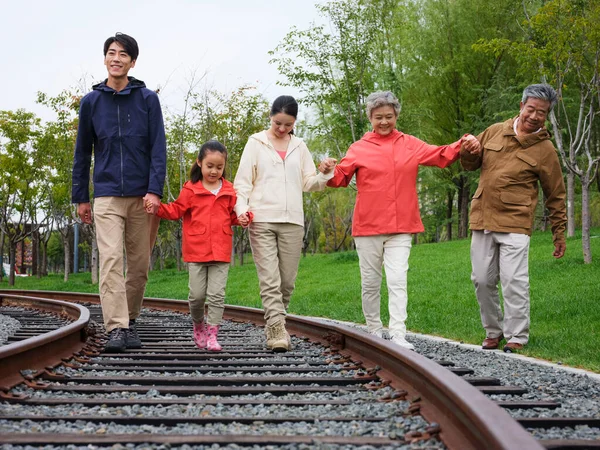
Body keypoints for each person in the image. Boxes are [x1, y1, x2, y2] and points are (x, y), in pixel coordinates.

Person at [326, 91, 480, 350]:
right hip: (368, 227)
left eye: (389, 116)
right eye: (378, 117)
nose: (384, 122)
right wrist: (328, 168)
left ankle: (398, 333)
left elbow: (440, 154)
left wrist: (464, 141)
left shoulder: (410, 143)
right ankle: (374, 330)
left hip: (401, 226)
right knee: (371, 283)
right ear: (370, 118)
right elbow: (338, 178)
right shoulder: (358, 148)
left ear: (396, 115)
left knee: (398, 279)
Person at [72, 32, 166, 353]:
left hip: (143, 196)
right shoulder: (91, 103)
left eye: (123, 54)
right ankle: (116, 327)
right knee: (111, 260)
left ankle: (131, 319)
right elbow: (82, 153)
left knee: (139, 264)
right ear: (104, 59)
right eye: (111, 53)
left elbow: (158, 149)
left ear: (132, 61)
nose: (116, 58)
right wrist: (80, 197)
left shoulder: (148, 100)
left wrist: (155, 190)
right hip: (107, 195)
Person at [461, 83, 567, 353]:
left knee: (513, 280)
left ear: (547, 115)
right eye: (531, 109)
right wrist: (469, 150)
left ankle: (517, 335)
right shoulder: (495, 131)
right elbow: (470, 164)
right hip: (483, 218)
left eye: (541, 113)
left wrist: (559, 233)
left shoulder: (546, 151)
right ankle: (493, 331)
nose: (535, 116)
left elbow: (555, 194)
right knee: (482, 280)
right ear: (521, 106)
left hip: (516, 222)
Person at [233, 95, 335, 353]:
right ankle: (276, 329)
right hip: (262, 219)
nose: (281, 129)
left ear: (294, 123)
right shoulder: (255, 143)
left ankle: (276, 320)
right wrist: (242, 210)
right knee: (270, 280)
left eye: (287, 125)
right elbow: (242, 184)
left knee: (286, 282)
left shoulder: (299, 146)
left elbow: (309, 183)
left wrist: (324, 173)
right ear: (270, 116)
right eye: (278, 123)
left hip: (292, 221)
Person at [153, 141, 248, 352]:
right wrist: (158, 209)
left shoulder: (229, 189)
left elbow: (232, 216)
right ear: (200, 163)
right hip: (196, 250)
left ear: (224, 167)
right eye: (210, 166)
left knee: (216, 295)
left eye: (219, 167)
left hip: (221, 250)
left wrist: (242, 218)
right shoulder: (191, 189)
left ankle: (213, 334)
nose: (214, 171)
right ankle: (198, 325)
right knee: (196, 296)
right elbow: (177, 210)